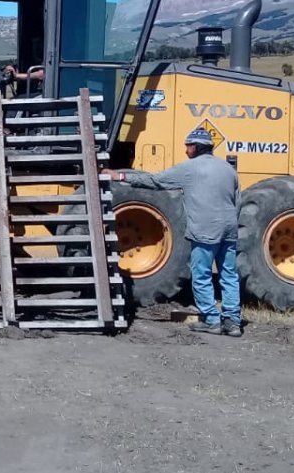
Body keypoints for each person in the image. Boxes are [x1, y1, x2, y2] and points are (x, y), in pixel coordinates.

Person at [104, 127, 242, 336]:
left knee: (202, 274)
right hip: (229, 230)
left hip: (205, 231)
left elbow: (155, 181)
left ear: (195, 147)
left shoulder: (190, 168)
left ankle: (212, 320)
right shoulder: (228, 169)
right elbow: (237, 201)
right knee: (229, 274)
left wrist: (120, 176)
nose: (186, 151)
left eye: (188, 147)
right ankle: (233, 322)